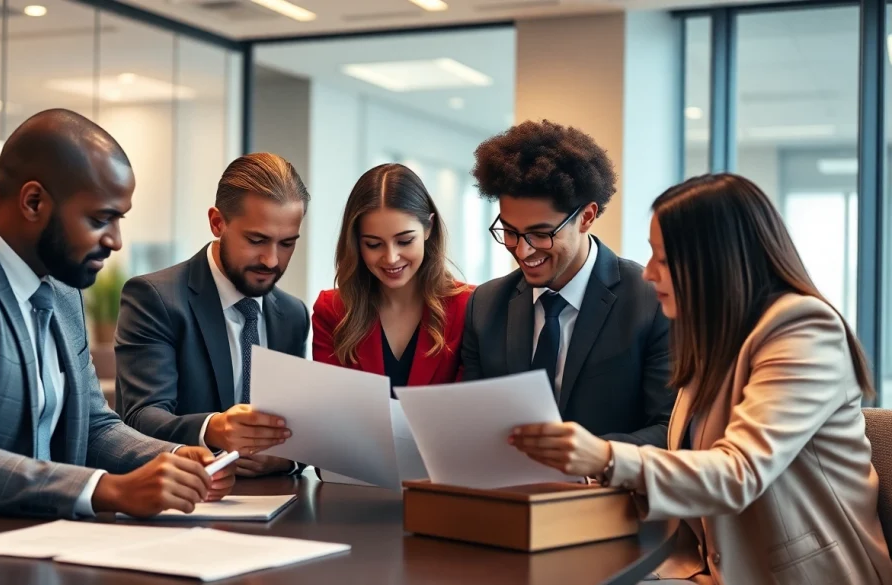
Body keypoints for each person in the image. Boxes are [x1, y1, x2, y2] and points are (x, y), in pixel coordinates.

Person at [511, 173, 892, 585]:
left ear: (718, 259)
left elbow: (739, 472)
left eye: (664, 258)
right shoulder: (716, 338)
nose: (648, 274)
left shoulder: (804, 329)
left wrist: (605, 457)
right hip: (707, 568)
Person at [0, 109, 234, 518]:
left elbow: (94, 426)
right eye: (100, 219)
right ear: (33, 201)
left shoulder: (60, 285)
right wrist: (105, 489)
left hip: (31, 542)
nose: (115, 241)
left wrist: (178, 458)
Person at [462, 120, 673, 447]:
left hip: (610, 492)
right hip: (509, 493)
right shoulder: (486, 305)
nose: (523, 250)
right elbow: (473, 419)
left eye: (541, 233)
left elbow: (670, 428)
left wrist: (594, 458)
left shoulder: (650, 301)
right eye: (510, 232)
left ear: (587, 216)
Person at [115, 153, 308, 478]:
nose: (272, 260)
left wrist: (285, 460)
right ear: (217, 222)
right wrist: (213, 429)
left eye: (287, 243)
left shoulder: (293, 315)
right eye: (256, 240)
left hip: (276, 504)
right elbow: (140, 417)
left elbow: (297, 424)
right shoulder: (155, 298)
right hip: (181, 500)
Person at [312, 163, 472, 388]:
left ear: (429, 228)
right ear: (356, 242)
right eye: (373, 244)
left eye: (405, 241)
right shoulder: (333, 311)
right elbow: (329, 406)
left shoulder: (470, 307)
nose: (391, 258)